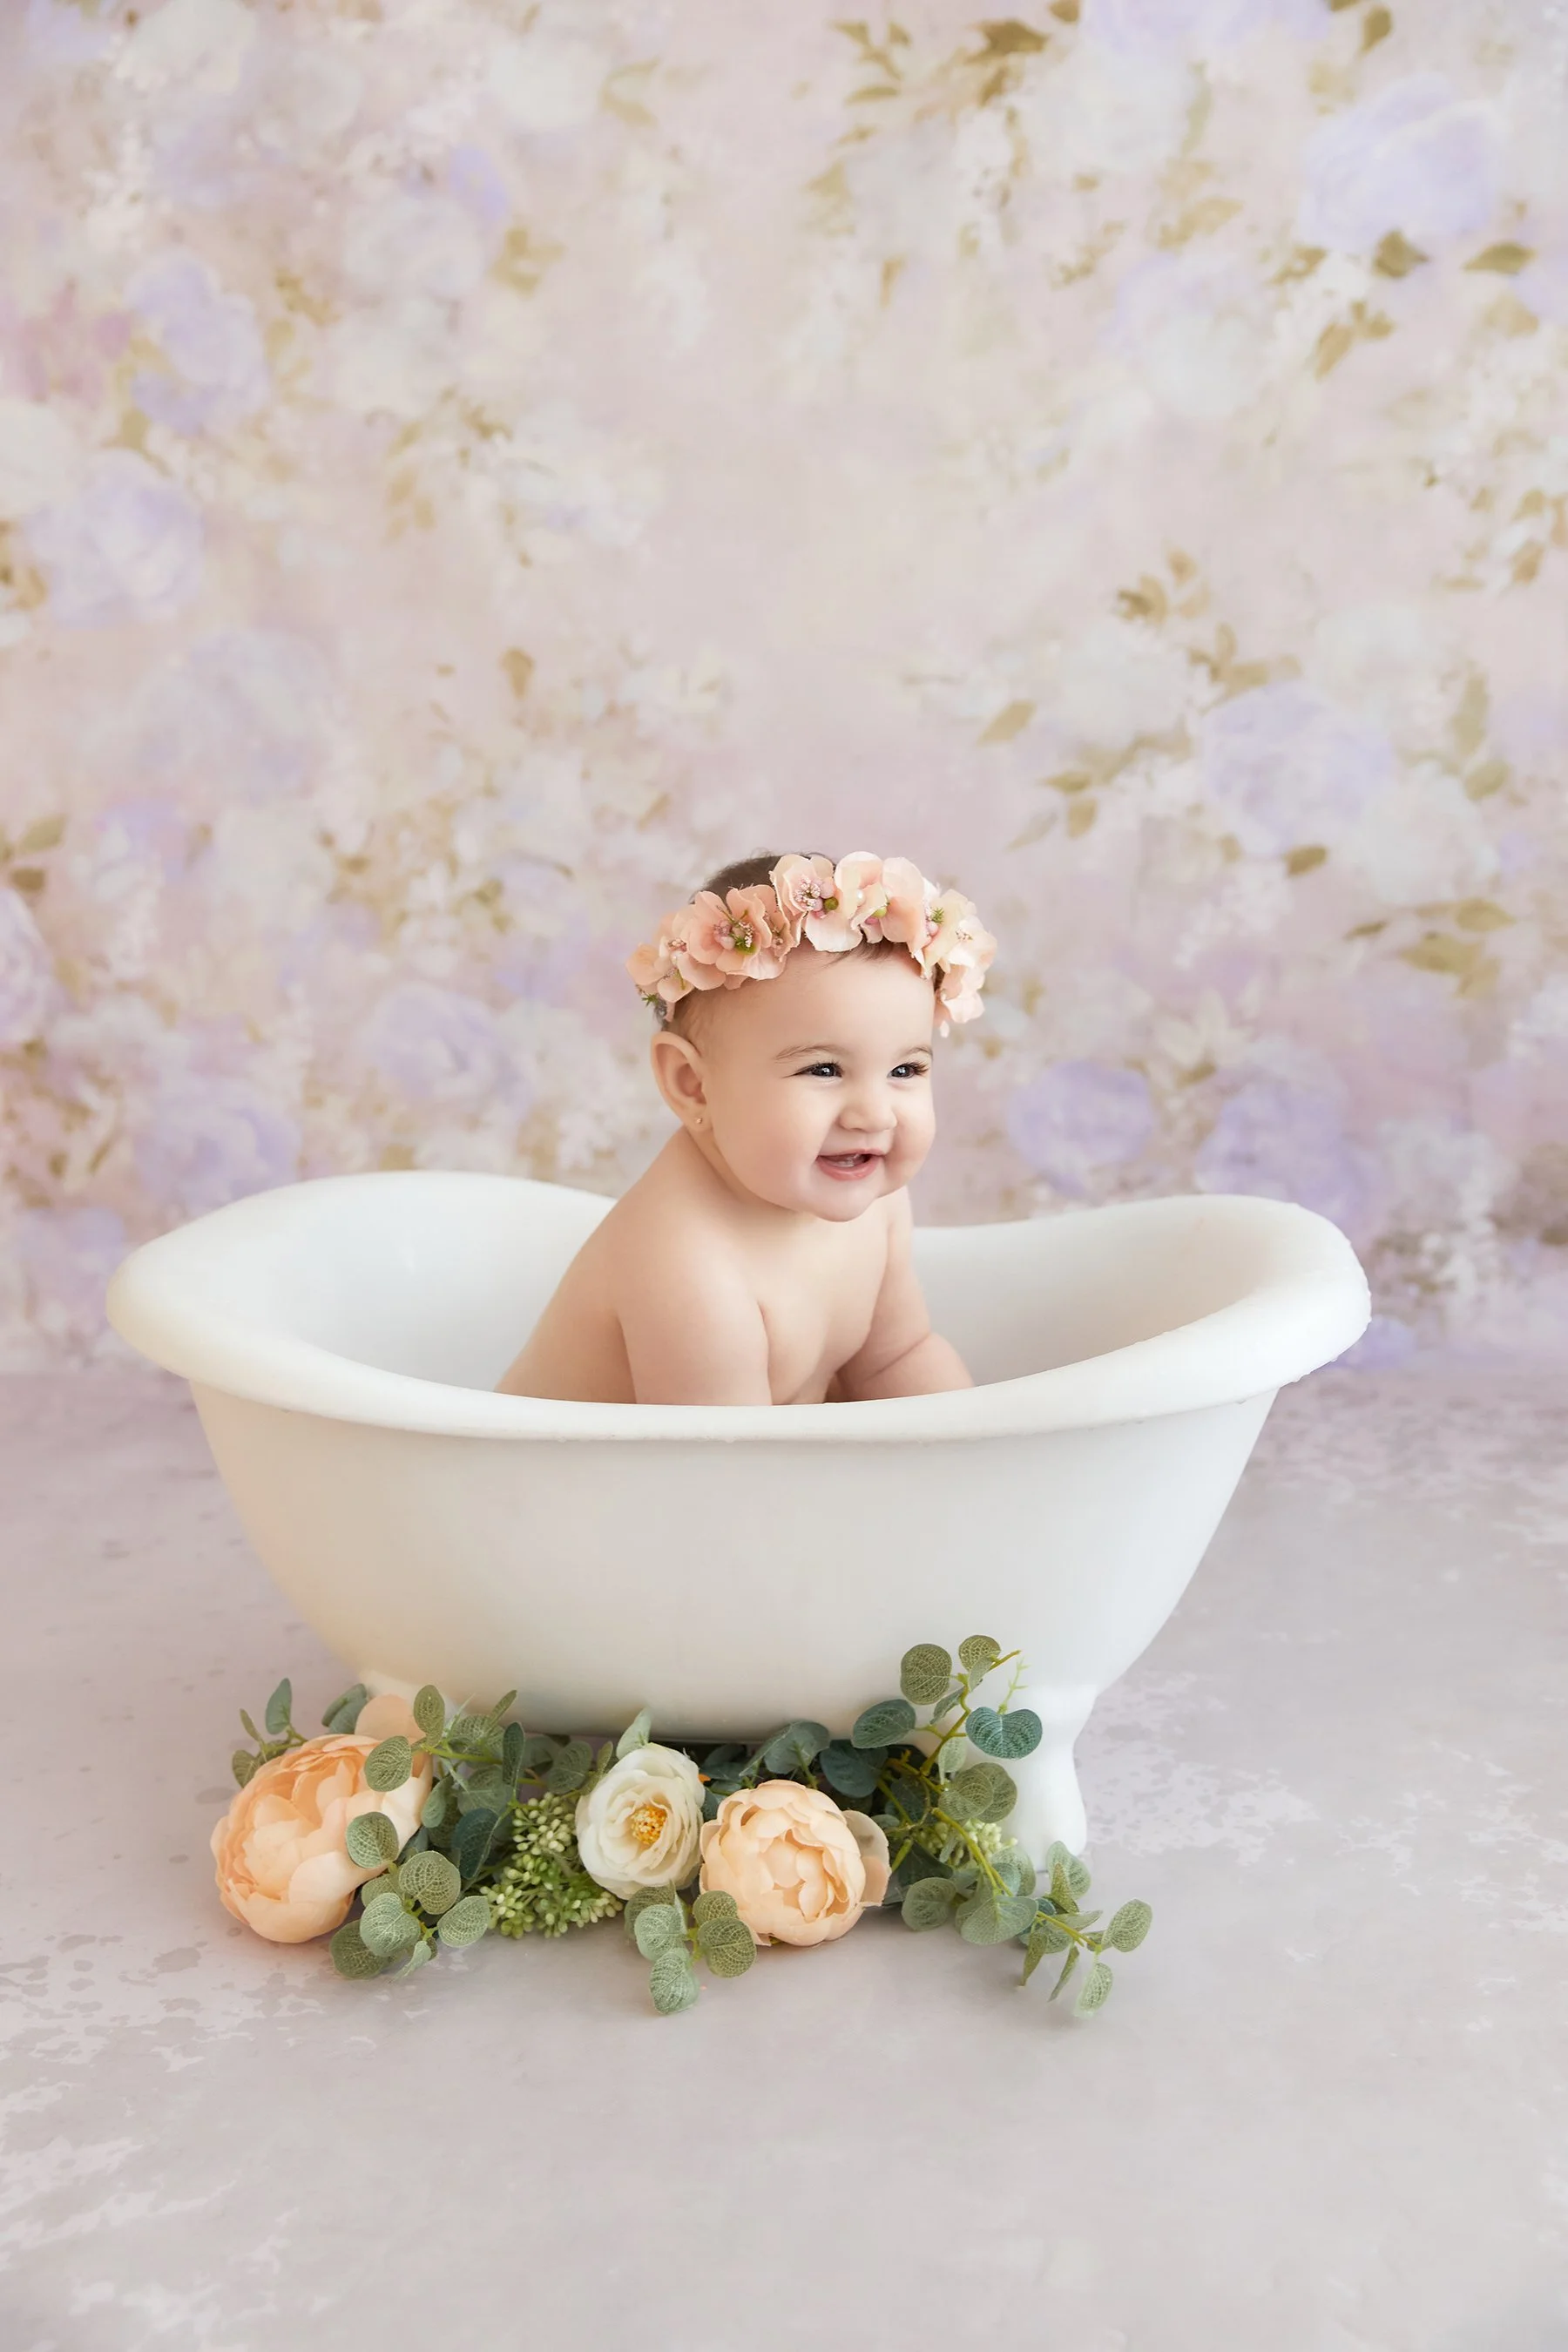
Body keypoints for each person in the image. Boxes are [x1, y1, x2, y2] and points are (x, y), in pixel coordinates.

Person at [496, 848, 995, 1405]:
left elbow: (897, 1360)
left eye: (906, 1069)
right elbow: (730, 1481)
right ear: (694, 1085)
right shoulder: (687, 1267)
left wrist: (983, 1458)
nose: (874, 1115)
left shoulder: (871, 1201)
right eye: (824, 1069)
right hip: (579, 1488)